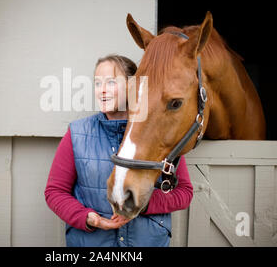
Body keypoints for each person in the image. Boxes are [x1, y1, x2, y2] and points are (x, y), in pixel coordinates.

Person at [44, 54, 193, 247]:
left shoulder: (157, 131)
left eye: (111, 82)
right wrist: (88, 218)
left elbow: (184, 192)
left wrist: (142, 203)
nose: (102, 91)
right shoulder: (77, 133)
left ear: (132, 87)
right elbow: (55, 191)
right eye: (97, 84)